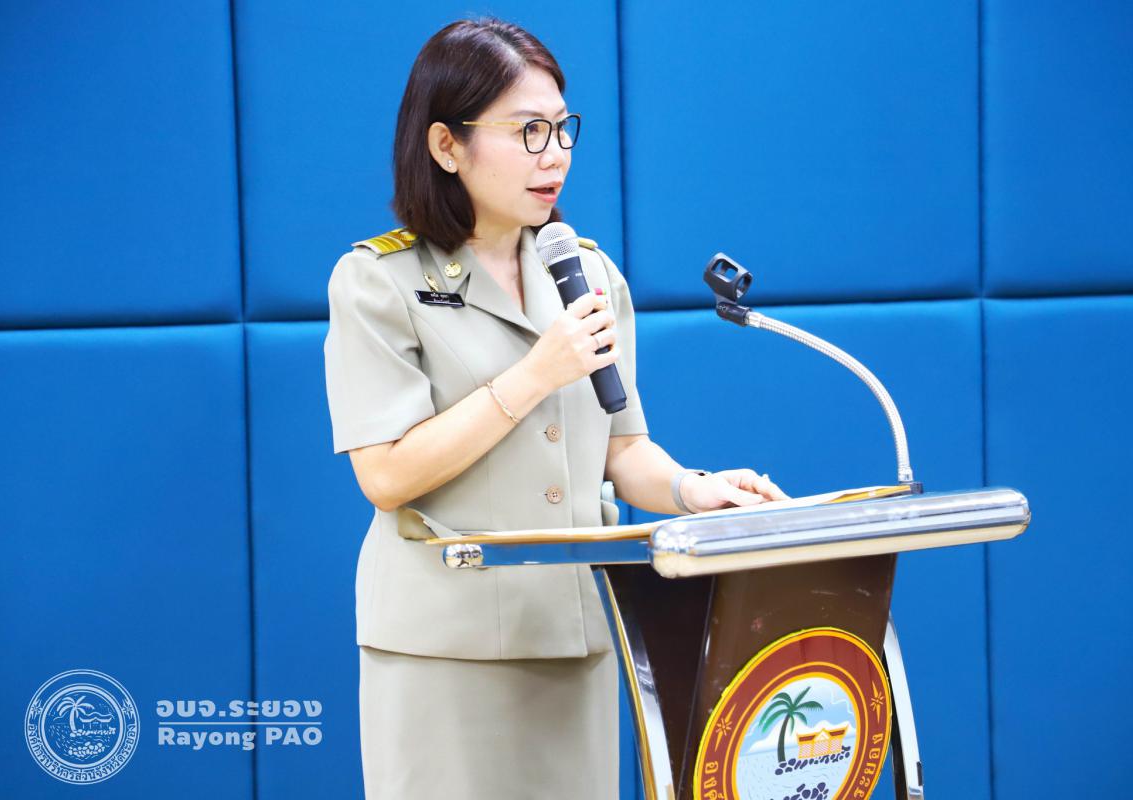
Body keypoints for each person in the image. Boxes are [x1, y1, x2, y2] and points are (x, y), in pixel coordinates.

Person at [322, 17, 788, 799]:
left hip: (573, 636)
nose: (556, 154)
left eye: (563, 127)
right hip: (443, 646)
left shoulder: (588, 274)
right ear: (446, 145)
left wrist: (693, 489)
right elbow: (387, 475)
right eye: (527, 131)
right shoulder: (380, 282)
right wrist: (534, 375)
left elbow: (622, 450)